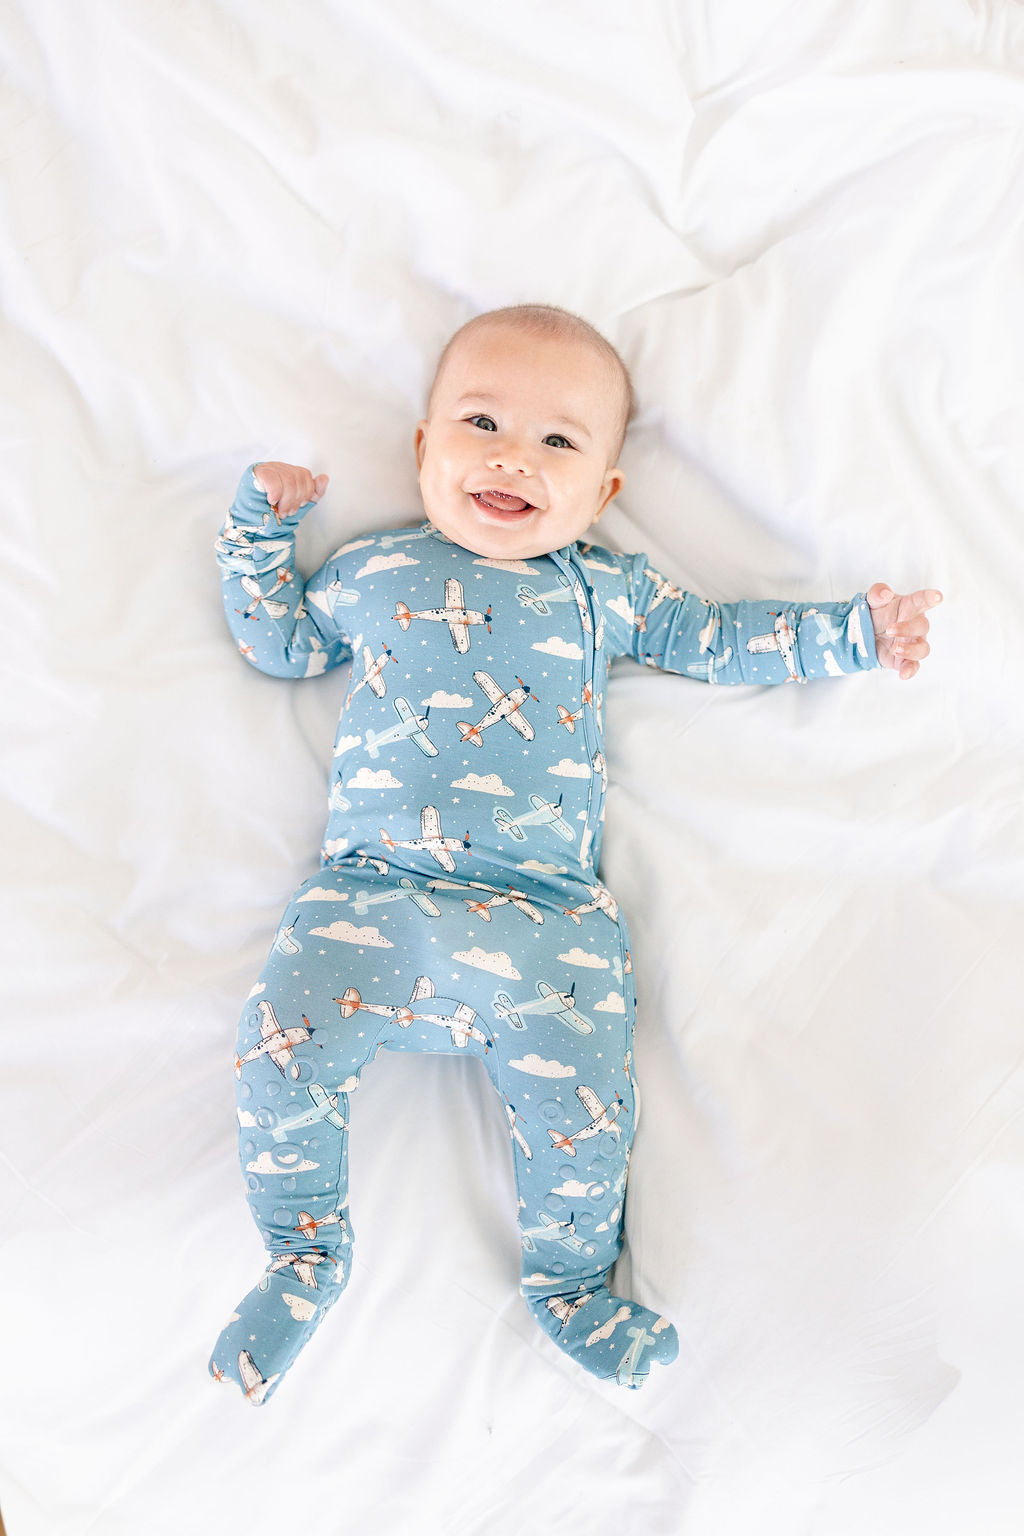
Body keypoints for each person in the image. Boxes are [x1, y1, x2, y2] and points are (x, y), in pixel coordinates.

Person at [208, 304, 941, 1405]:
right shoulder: (372, 571)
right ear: (423, 450)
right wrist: (257, 532)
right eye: (482, 422)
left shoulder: (603, 588)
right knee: (277, 1055)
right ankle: (303, 1256)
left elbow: (713, 636)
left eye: (559, 442)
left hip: (542, 915)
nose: (512, 455)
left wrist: (852, 631)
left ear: (602, 493)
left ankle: (569, 1285)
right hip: (374, 898)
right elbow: (280, 642)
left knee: (584, 1104)